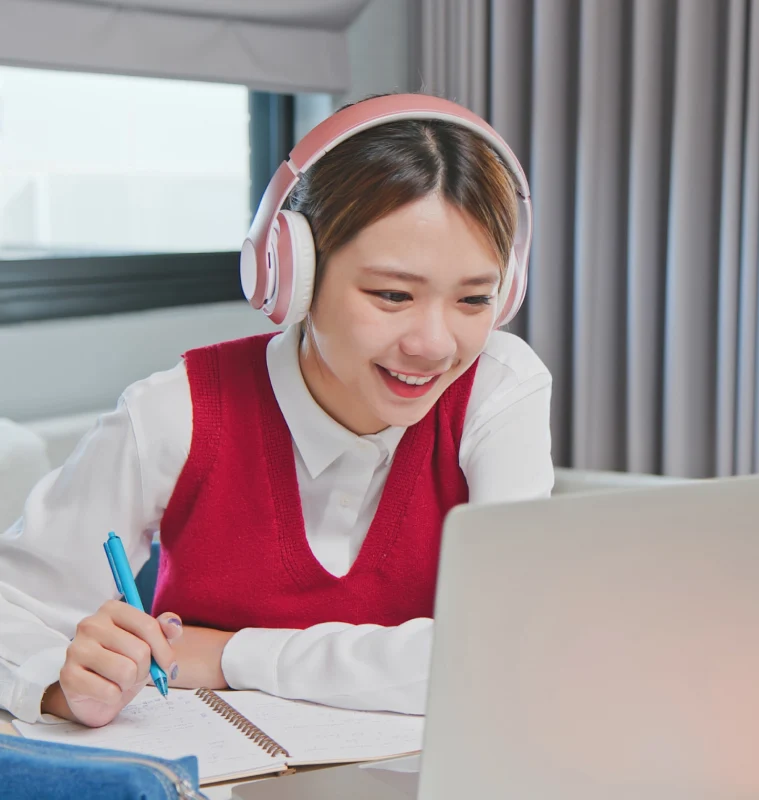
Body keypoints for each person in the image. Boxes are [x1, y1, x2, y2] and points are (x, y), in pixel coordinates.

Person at [0, 93, 553, 728]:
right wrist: (58, 684)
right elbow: (11, 605)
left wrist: (231, 654)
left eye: (474, 300)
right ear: (293, 276)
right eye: (393, 295)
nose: (434, 344)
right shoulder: (177, 410)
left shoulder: (497, 390)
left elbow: (500, 652)